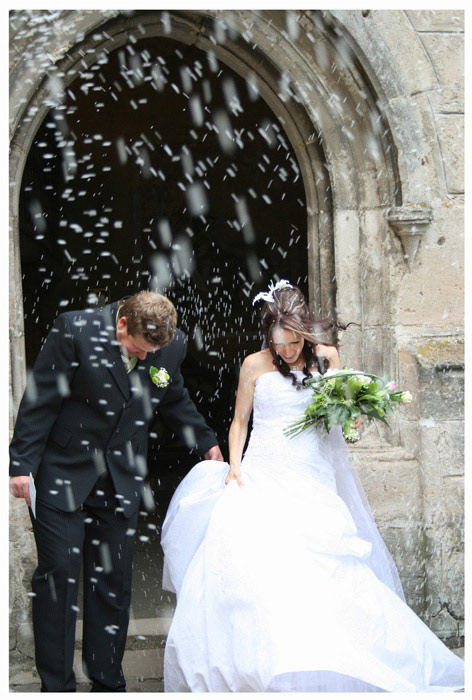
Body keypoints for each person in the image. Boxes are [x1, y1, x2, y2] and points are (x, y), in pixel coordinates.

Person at [161, 280, 464, 692]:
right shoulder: (253, 365)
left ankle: (335, 658)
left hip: (310, 471)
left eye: (293, 342)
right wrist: (234, 467)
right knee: (259, 567)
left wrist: (354, 414)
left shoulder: (327, 358)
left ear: (304, 332)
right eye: (278, 343)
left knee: (325, 565)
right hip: (263, 470)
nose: (286, 351)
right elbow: (239, 422)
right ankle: (265, 665)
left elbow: (339, 415)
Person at [9, 290, 223, 692]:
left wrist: (205, 442)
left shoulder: (169, 344)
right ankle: (57, 686)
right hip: (63, 471)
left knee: (112, 583)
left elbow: (173, 396)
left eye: (151, 353)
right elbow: (41, 398)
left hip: (121, 477)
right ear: (121, 323)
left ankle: (108, 683)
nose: (145, 358)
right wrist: (21, 463)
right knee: (59, 579)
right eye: (138, 350)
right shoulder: (75, 330)